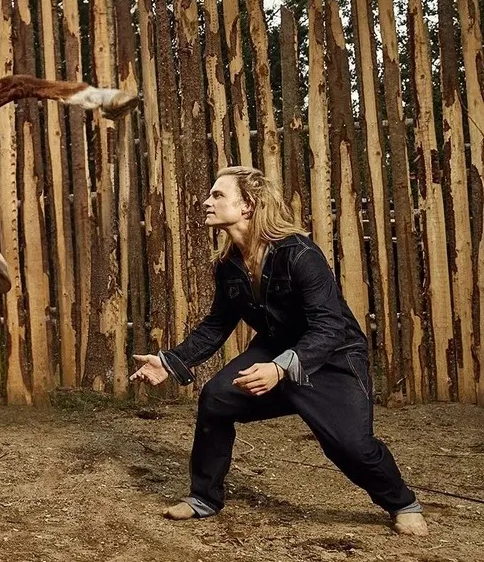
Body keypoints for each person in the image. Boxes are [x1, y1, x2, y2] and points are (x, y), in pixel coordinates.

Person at [129, 166, 427, 536]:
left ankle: (402, 501)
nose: (206, 202)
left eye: (217, 195)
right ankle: (204, 497)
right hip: (275, 351)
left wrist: (281, 369)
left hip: (333, 357)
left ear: (249, 205)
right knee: (217, 399)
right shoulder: (229, 266)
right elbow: (218, 324)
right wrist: (169, 362)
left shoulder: (300, 255)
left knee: (351, 446)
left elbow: (330, 326)